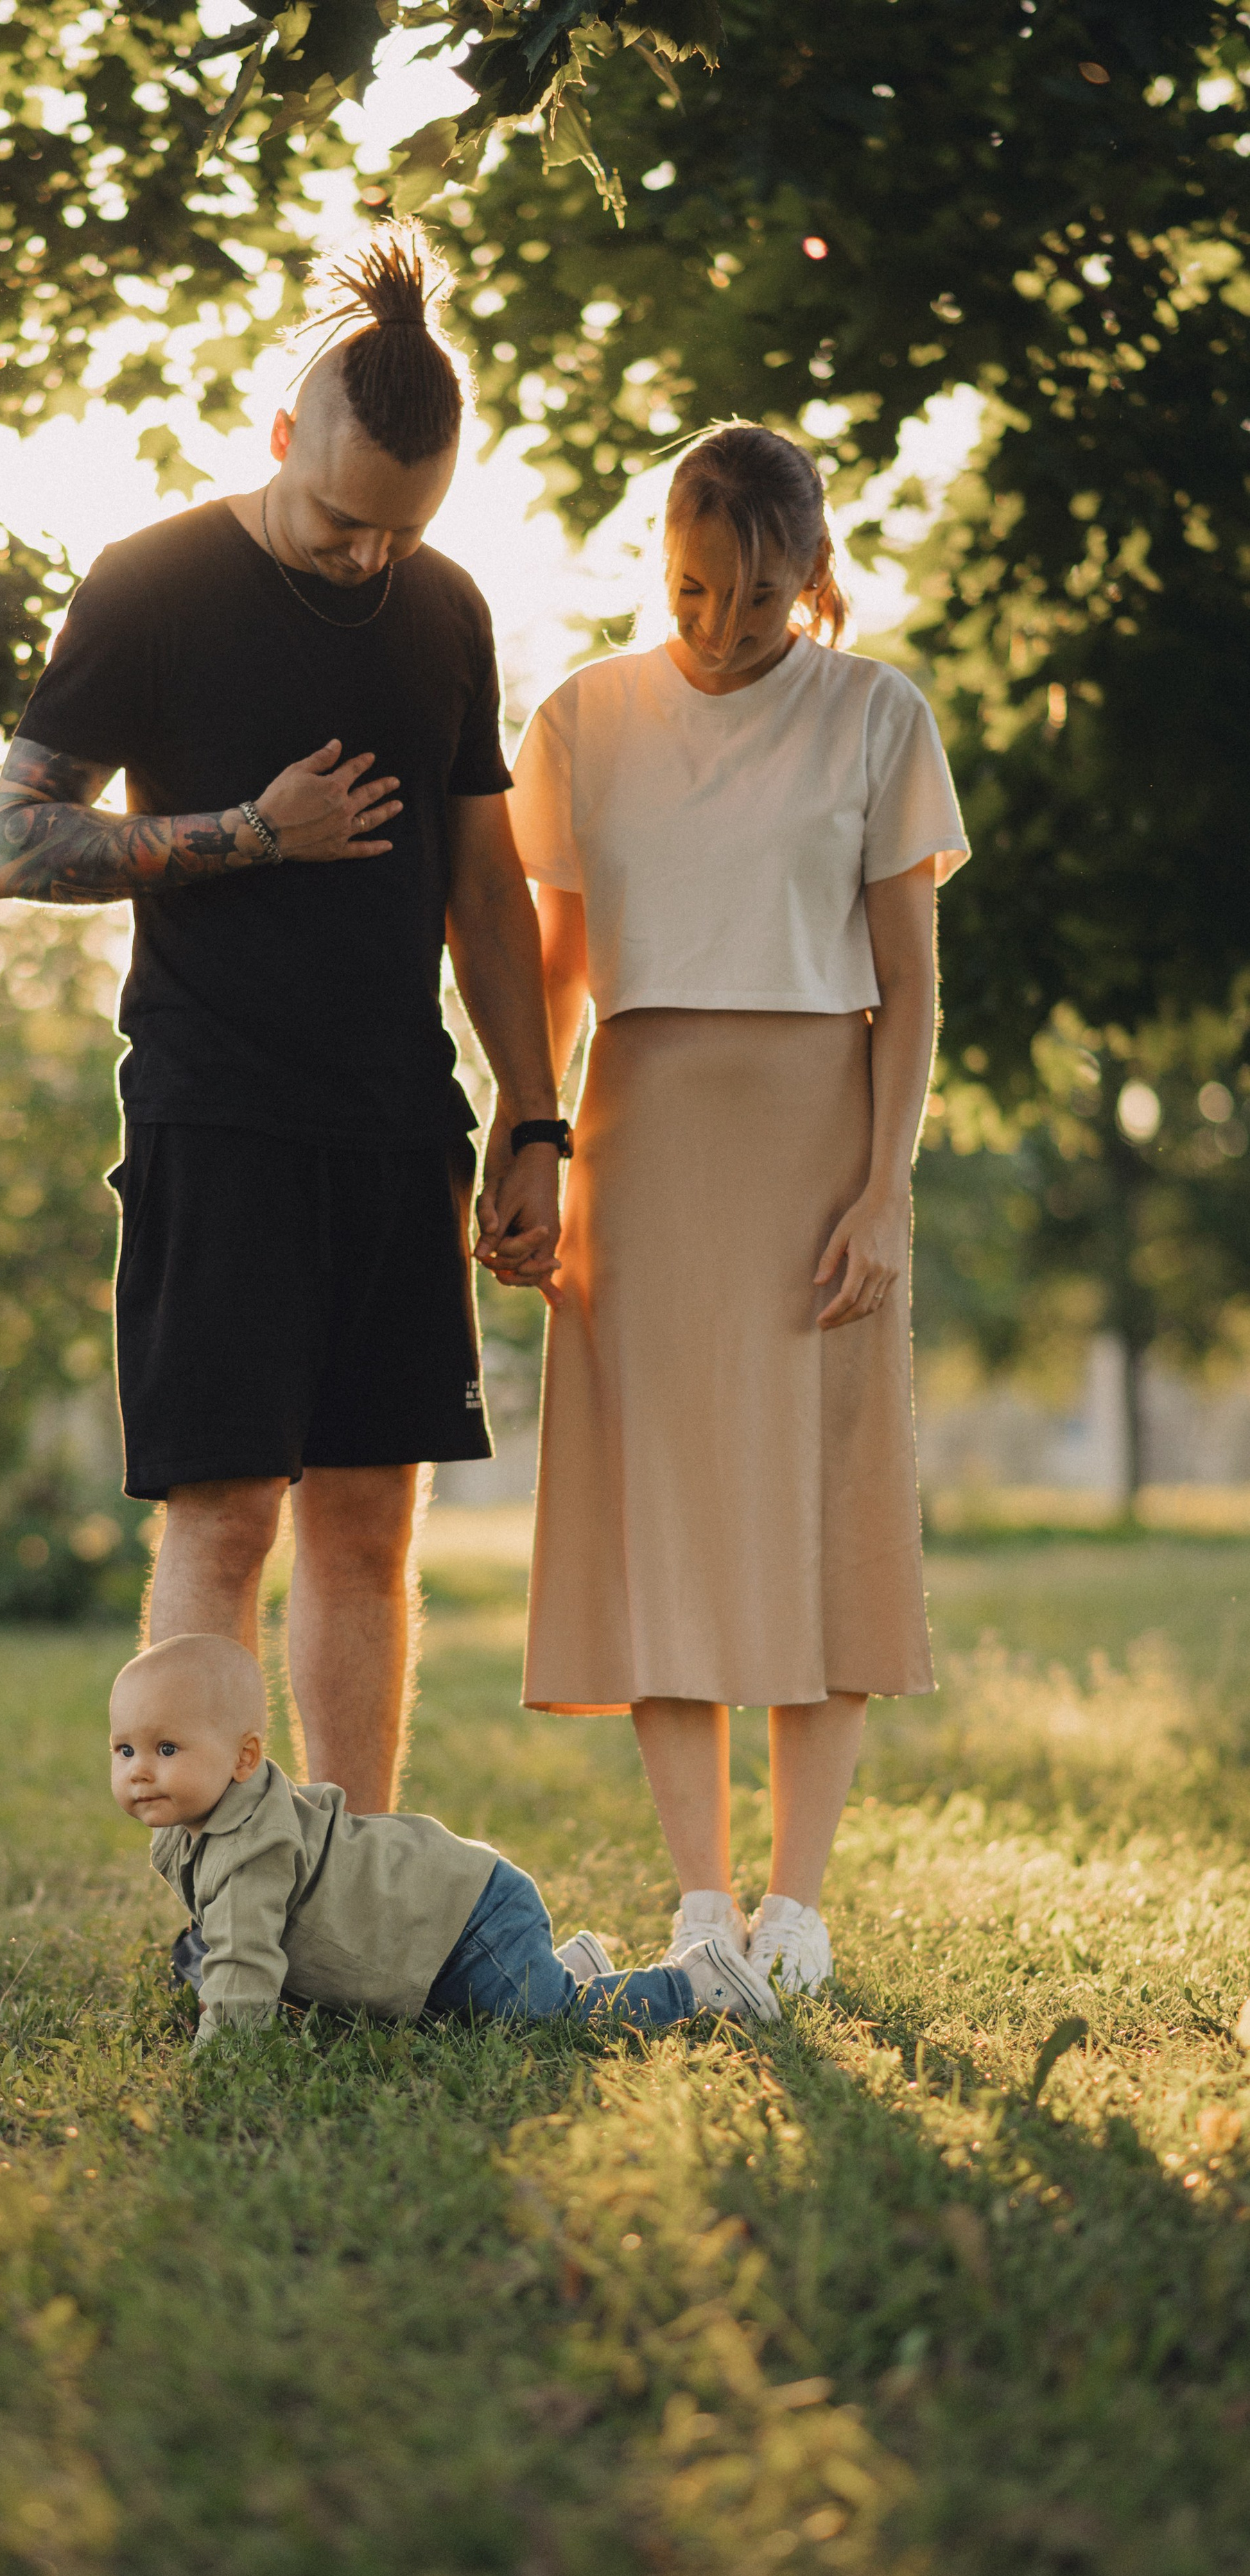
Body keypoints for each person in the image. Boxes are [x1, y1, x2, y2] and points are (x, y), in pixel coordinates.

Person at [0, 230, 564, 1815]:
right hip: (213, 1111)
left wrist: (532, 1114)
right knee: (226, 1518)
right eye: (340, 517)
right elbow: (15, 845)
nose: (368, 555)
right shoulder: (149, 586)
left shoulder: (444, 609)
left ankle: (352, 1877)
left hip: (396, 1123)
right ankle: (214, 1894)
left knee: (369, 1524)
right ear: (276, 437)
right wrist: (249, 831)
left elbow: (483, 889)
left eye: (400, 529)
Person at [499, 421, 969, 1997]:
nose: (719, 628)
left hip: (814, 1143)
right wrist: (529, 1141)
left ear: (810, 581)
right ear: (662, 563)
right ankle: (700, 1902)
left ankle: (798, 1903)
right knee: (664, 1520)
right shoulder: (581, 720)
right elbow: (554, 970)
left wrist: (881, 1190)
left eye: (756, 601)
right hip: (638, 1141)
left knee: (816, 1515)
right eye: (693, 592)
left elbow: (906, 989)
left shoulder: (871, 716)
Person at [110, 1633, 778, 2044]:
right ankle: (569, 1966)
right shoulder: (196, 1829)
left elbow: (247, 1962)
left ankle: (697, 1985)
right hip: (432, 1934)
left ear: (244, 1759)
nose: (140, 1770)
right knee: (475, 2013)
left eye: (166, 1748)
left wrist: (227, 2056)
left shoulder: (254, 1846)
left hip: (467, 1916)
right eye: (124, 1750)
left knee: (540, 2022)